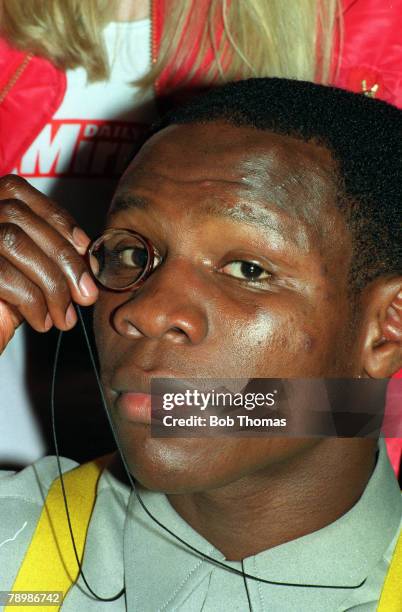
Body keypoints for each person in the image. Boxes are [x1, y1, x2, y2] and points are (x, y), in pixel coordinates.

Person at [0, 78, 401, 610]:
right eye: (131, 253)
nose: (144, 312)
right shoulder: (15, 538)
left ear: (385, 329)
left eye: (247, 269)